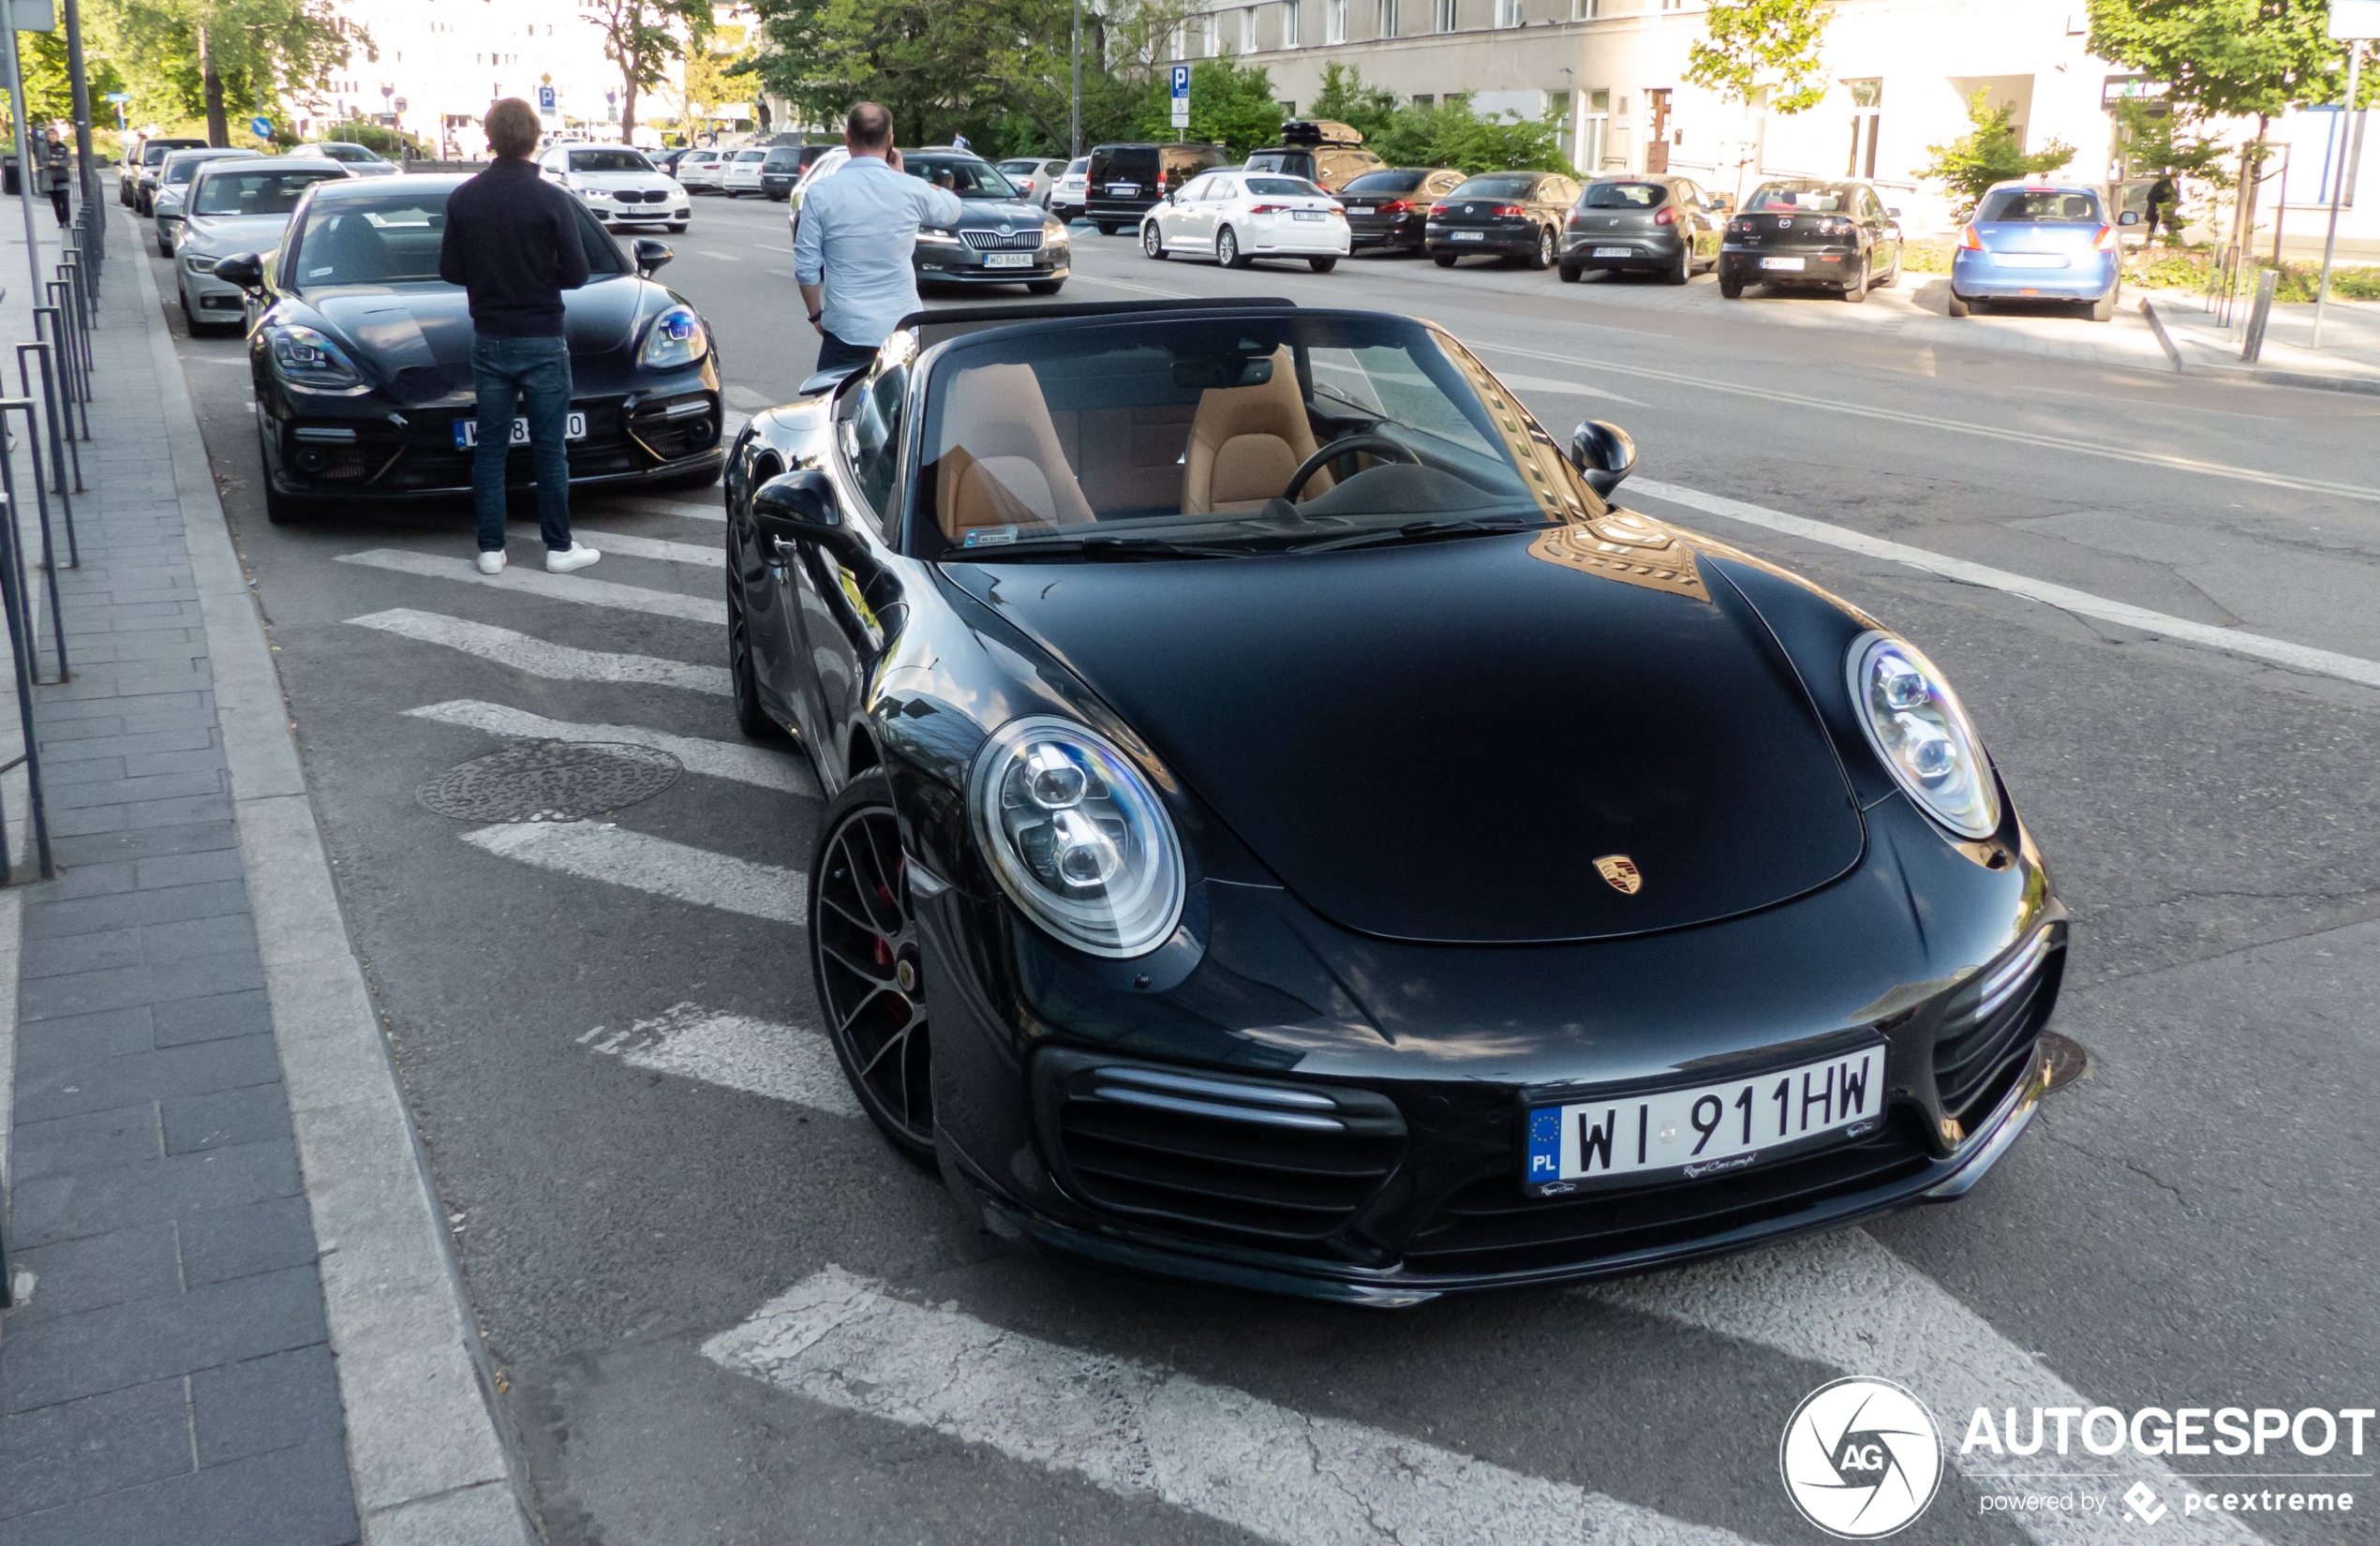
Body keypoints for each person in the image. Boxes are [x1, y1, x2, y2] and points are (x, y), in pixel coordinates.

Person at [438, 97, 601, 576]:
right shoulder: (552, 199)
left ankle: (491, 549)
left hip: (489, 338)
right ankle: (559, 547)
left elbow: (450, 269)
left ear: (489, 137)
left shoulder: (465, 198)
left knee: (490, 447)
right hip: (542, 337)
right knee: (550, 447)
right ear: (535, 135)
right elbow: (576, 274)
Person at [792, 102, 963, 374]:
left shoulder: (821, 193)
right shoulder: (910, 188)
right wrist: (903, 176)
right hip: (901, 330)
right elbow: (952, 209)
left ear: (847, 138)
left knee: (834, 410)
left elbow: (806, 269)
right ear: (891, 140)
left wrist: (816, 314)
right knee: (901, 412)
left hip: (844, 330)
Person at [42, 126, 69, 226]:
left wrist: (59, 163)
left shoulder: (63, 147)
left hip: (63, 177)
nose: (53, 137)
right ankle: (60, 221)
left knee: (65, 199)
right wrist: (49, 163)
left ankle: (67, 220)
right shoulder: (44, 148)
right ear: (47, 136)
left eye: (54, 134)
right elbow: (41, 161)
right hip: (51, 178)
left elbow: (69, 161)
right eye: (50, 135)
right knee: (56, 202)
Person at [2144, 171, 2178, 245]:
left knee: (2171, 231)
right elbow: (2151, 196)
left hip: (2171, 214)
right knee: (2154, 231)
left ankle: (2170, 245)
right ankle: (2148, 245)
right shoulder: (2162, 184)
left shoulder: (2180, 184)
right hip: (2158, 214)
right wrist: (2158, 208)